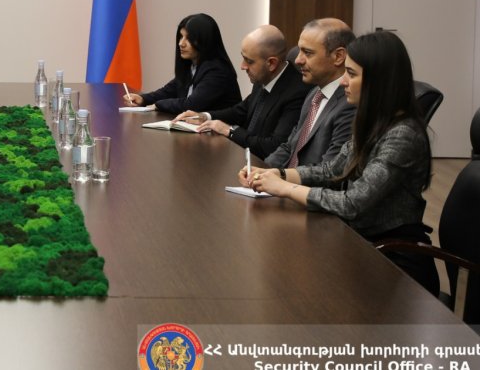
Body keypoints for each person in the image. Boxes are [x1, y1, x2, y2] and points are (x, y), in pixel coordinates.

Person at [239, 31, 439, 295]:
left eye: (351, 74)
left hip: (393, 263)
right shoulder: (374, 122)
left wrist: (284, 188)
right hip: (360, 244)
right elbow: (331, 170)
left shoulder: (403, 135)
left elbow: (352, 203)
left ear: (379, 81)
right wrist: (278, 174)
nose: (343, 81)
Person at [173, 25, 308, 158]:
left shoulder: (297, 93)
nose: (243, 66)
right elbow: (241, 111)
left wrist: (230, 131)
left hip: (263, 165)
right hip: (246, 157)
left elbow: (273, 147)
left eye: (249, 61)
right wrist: (205, 116)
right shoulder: (263, 76)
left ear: (271, 63)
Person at [263, 18, 356, 169]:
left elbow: (329, 170)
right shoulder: (314, 94)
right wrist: (261, 171)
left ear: (338, 56)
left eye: (307, 53)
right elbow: (289, 147)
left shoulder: (350, 104)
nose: (298, 60)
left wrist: (280, 177)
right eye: (300, 51)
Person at [123, 13, 241, 113]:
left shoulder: (218, 71)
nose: (181, 43)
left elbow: (192, 105)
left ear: (205, 40)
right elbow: (168, 91)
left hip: (220, 132)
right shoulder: (192, 65)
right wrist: (143, 99)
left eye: (188, 38)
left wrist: (158, 105)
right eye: (181, 37)